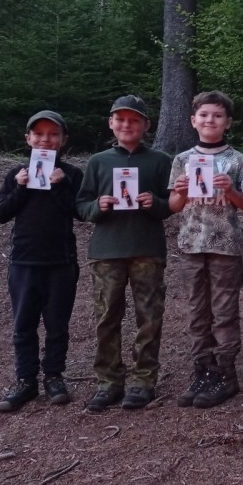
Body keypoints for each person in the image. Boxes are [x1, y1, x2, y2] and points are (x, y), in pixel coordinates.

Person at [76, 95, 173, 413]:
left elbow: (171, 205)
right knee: (107, 317)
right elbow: (81, 205)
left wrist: (154, 203)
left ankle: (143, 380)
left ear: (146, 125)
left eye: (134, 120)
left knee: (149, 317)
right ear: (111, 123)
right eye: (120, 119)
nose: (127, 125)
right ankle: (109, 381)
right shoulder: (98, 161)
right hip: (107, 250)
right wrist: (98, 206)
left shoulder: (160, 160)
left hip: (147, 249)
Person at [0, 110, 83, 412]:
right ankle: (25, 380)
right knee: (23, 325)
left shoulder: (72, 174)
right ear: (28, 139)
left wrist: (62, 185)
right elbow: (1, 214)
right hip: (23, 261)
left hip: (61, 262)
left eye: (53, 134)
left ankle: (54, 377)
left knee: (57, 325)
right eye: (39, 134)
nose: (46, 139)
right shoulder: (16, 174)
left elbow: (80, 212)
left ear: (63, 140)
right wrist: (20, 186)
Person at [168, 91, 243, 409]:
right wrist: (180, 192)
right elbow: (174, 206)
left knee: (224, 313)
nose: (210, 120)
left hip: (225, 246)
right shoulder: (182, 160)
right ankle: (202, 371)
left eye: (217, 116)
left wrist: (230, 190)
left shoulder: (238, 160)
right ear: (193, 120)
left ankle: (225, 373)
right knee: (197, 312)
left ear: (227, 122)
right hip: (191, 245)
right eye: (204, 115)